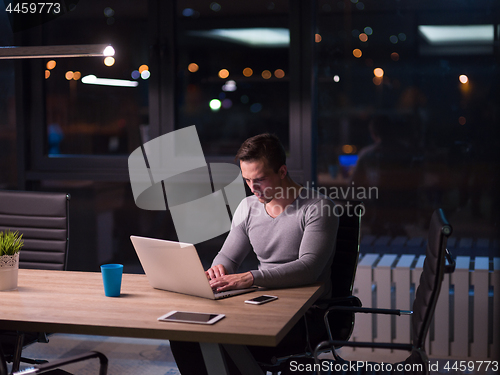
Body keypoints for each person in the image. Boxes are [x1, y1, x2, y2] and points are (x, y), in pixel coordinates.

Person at [170, 133, 338, 375]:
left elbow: (309, 268)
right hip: (260, 303)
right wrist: (220, 269)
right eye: (247, 180)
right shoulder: (248, 207)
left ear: (282, 171)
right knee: (184, 334)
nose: (253, 188)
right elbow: (227, 257)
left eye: (259, 179)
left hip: (305, 314)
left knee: (226, 340)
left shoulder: (318, 208)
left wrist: (249, 277)